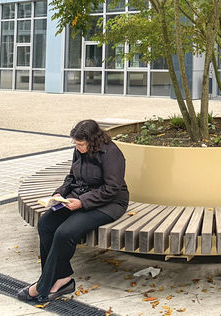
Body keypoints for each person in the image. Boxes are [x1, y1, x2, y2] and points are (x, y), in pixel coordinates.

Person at [18, 119, 129, 303]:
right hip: (78, 198)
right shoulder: (79, 150)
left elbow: (112, 188)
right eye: (75, 143)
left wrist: (82, 202)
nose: (77, 147)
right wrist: (59, 193)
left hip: (109, 203)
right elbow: (72, 176)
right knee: (46, 224)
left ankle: (42, 285)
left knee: (64, 232)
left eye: (80, 144)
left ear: (92, 140)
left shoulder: (111, 153)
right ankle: (63, 279)